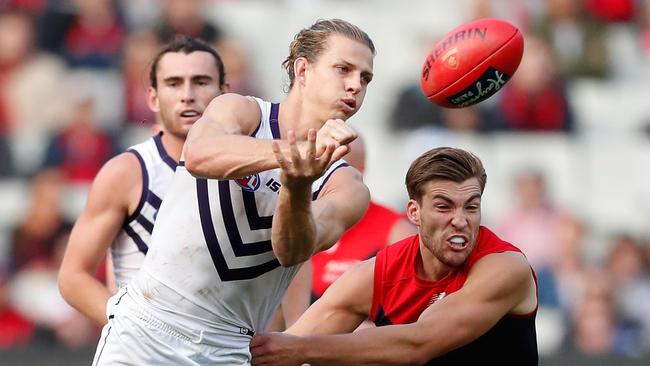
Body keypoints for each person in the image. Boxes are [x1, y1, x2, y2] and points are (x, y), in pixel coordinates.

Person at [91, 18, 375, 365]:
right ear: (303, 70)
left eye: (364, 78)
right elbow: (198, 155)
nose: (355, 86)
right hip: (149, 326)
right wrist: (290, 156)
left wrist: (297, 184)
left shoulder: (347, 185)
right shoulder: (242, 111)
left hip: (229, 348)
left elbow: (291, 250)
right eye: (343, 69)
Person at [251, 147, 539, 365]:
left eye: (471, 207)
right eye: (444, 207)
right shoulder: (377, 274)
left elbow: (419, 344)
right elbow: (285, 346)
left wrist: (300, 350)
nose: (461, 220)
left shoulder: (505, 267)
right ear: (414, 212)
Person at [58, 36, 230, 326]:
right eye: (174, 83)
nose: (187, 95)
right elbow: (73, 277)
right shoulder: (128, 172)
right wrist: (133, 331)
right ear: (152, 97)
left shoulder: (254, 170)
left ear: (226, 94)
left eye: (201, 82)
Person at [311, 134, 416, 302]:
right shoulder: (289, 223)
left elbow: (412, 314)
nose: (318, 179)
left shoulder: (396, 233)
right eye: (315, 167)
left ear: (359, 170)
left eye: (330, 169)